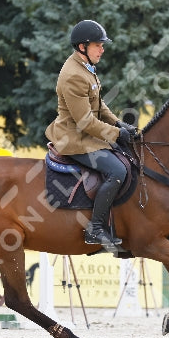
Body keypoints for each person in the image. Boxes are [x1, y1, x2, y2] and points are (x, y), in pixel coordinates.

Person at [45, 19, 137, 248]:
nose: (102, 49)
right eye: (98, 45)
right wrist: (115, 134)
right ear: (82, 46)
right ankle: (95, 230)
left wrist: (119, 124)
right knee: (117, 170)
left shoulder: (85, 68)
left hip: (86, 134)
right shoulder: (73, 75)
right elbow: (85, 121)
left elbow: (98, 104)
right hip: (73, 139)